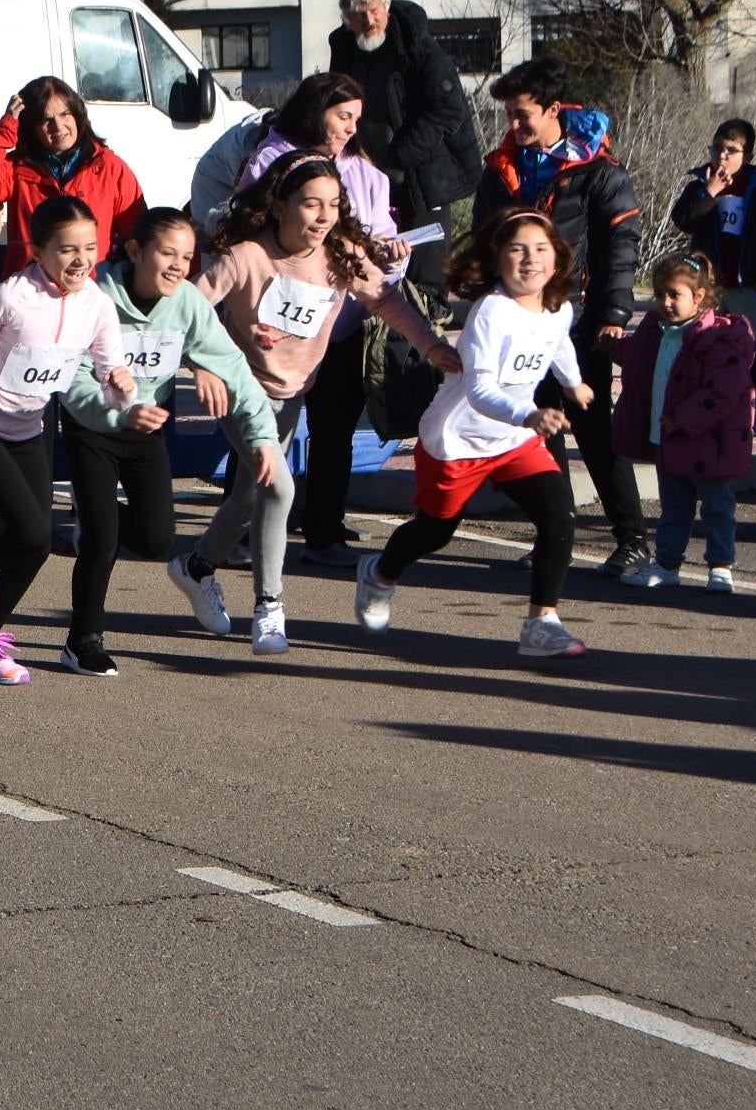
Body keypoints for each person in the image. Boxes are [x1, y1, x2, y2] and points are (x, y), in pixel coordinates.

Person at [174, 152, 453, 653]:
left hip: (291, 392)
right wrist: (205, 363)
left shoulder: (341, 254)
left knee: (245, 498)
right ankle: (269, 608)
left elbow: (386, 299)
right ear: (279, 206)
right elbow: (188, 307)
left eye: (332, 204)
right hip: (244, 388)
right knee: (278, 490)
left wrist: (432, 346)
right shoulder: (247, 257)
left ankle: (195, 568)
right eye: (310, 204)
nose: (323, 216)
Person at [354, 211, 596, 659]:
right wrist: (529, 413)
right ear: (498, 259)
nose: (530, 259)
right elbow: (481, 389)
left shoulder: (559, 306)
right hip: (459, 439)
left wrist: (572, 382)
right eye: (517, 250)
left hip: (514, 440)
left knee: (558, 517)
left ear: (558, 258)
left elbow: (557, 342)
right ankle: (379, 574)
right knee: (435, 531)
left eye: (541, 248)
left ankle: (541, 624)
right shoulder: (491, 312)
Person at [62, 210, 279, 677]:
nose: (180, 265)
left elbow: (234, 370)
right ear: (136, 251)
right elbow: (74, 375)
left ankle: (96, 517)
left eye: (187, 256)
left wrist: (262, 436)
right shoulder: (93, 295)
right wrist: (117, 409)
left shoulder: (186, 303)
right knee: (101, 539)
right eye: (167, 253)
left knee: (157, 538)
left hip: (147, 427)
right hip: (92, 425)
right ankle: (83, 641)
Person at [0, 195, 125, 683]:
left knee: (35, 545)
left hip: (28, 429)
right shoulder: (8, 297)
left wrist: (121, 387)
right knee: (32, 532)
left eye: (90, 246)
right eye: (66, 250)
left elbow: (110, 368)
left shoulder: (98, 305)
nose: (81, 259)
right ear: (38, 251)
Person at [473, 57, 648, 577]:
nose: (514, 126)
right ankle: (556, 535)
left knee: (595, 431)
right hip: (519, 320)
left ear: (553, 109)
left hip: (578, 324)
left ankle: (632, 538)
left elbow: (621, 245)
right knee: (537, 430)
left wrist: (612, 314)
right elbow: (485, 239)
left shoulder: (598, 167)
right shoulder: (501, 165)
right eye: (507, 115)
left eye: (523, 114)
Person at [236, 71, 411, 568]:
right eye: (343, 116)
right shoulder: (270, 159)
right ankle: (242, 532)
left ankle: (324, 529)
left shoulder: (365, 171)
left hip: (344, 319)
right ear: (317, 110)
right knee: (265, 429)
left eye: (357, 118)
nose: (352, 129)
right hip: (280, 320)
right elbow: (245, 232)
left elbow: (382, 243)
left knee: (335, 429)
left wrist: (391, 254)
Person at [611, 255, 756, 594]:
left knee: (717, 506)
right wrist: (609, 345)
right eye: (660, 294)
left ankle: (721, 566)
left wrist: (684, 419)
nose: (665, 302)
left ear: (700, 297)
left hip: (707, 441)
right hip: (669, 437)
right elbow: (636, 357)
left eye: (674, 294)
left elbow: (725, 390)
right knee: (673, 508)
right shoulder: (658, 333)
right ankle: (666, 565)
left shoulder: (717, 341)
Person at [328, 0, 484, 289]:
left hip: (421, 176)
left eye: (374, 11)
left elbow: (448, 109)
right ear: (348, 21)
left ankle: (429, 324)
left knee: (425, 270)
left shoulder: (417, 45)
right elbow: (334, 101)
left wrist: (398, 157)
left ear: (386, 8)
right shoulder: (346, 50)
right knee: (376, 269)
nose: (369, 21)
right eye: (359, 16)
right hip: (366, 177)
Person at [0, 75, 145, 276]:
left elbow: (137, 233)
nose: (58, 126)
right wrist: (5, 128)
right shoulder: (16, 168)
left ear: (77, 114)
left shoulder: (109, 168)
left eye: (65, 114)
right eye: (46, 120)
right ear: (31, 127)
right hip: (29, 291)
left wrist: (113, 276)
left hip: (89, 290)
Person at [669, 117, 756, 365]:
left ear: (748, 156)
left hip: (745, 285)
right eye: (717, 148)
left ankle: (754, 402)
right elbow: (682, 220)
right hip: (707, 285)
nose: (722, 156)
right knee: (702, 344)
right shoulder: (699, 186)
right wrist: (709, 193)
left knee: (750, 348)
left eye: (731, 150)